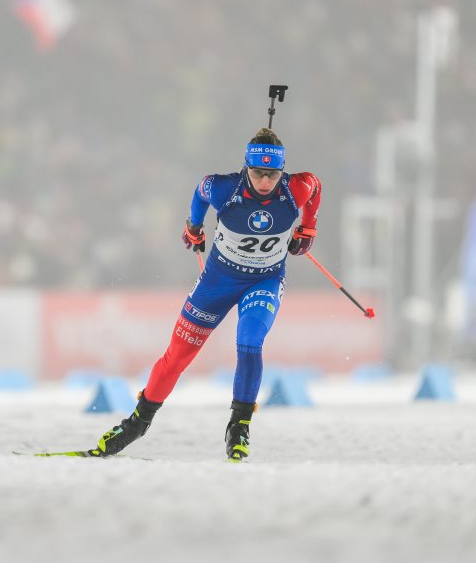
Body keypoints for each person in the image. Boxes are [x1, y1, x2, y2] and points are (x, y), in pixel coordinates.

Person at [90, 127, 322, 461]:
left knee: (250, 340)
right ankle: (137, 423)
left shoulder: (296, 188)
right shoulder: (224, 187)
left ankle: (238, 426)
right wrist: (193, 227)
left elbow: (316, 187)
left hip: (264, 280)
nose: (265, 182)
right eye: (258, 173)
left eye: (273, 174)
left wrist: (308, 226)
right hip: (217, 281)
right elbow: (200, 193)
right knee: (177, 357)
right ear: (246, 168)